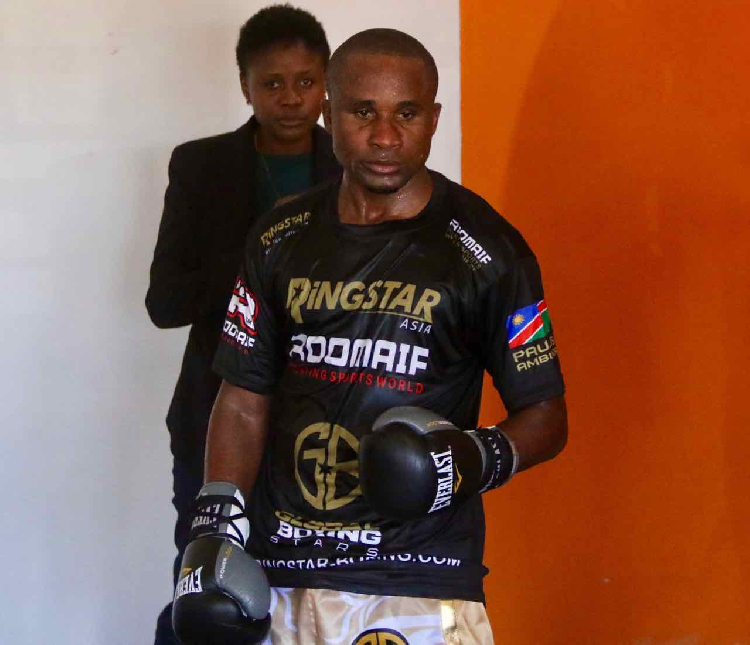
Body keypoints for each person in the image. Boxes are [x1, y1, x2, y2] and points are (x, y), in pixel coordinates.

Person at [173, 28, 568, 645]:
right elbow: (244, 397)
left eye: (406, 114)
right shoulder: (279, 237)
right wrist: (216, 521)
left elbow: (546, 416)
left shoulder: (488, 250)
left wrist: (473, 459)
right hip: (284, 572)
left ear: (434, 118)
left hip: (418, 575)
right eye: (363, 113)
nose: (385, 137)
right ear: (329, 112)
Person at [145, 5, 340, 643]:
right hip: (213, 413)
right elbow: (164, 302)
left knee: (313, 593)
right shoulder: (201, 166)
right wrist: (261, 251)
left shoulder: (357, 166)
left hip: (325, 420)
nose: (291, 98)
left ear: (327, 82)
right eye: (272, 83)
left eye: (306, 81)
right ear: (244, 86)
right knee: (208, 590)